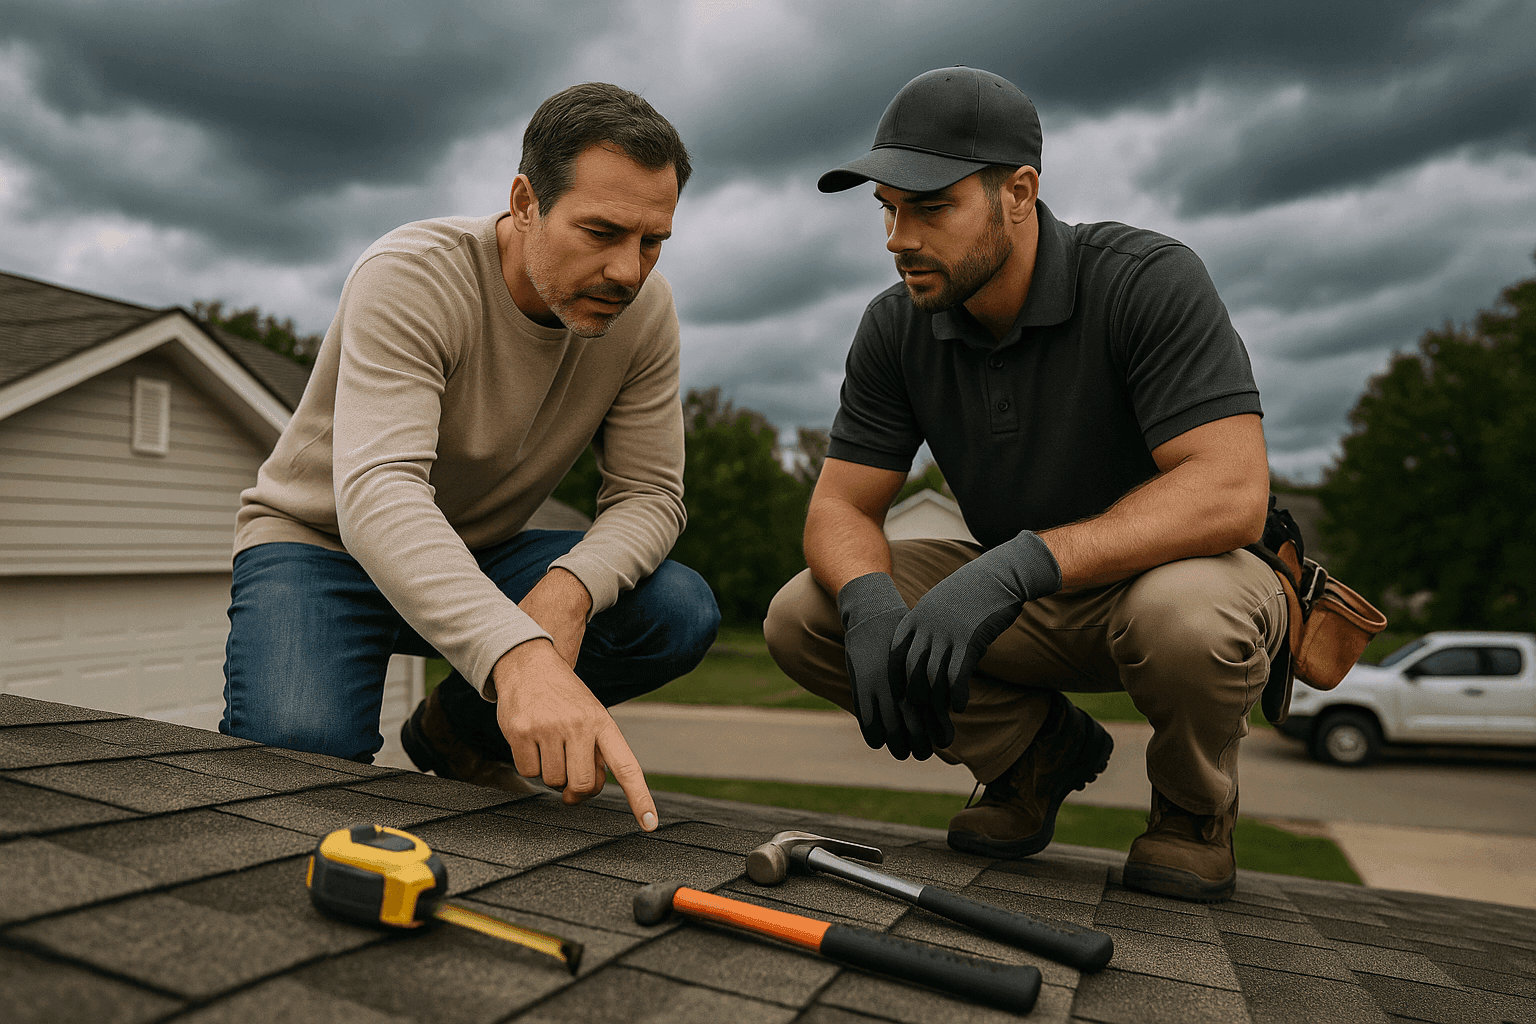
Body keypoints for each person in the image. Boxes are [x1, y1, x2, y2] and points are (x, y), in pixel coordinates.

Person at [764, 67, 1283, 901]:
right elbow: (840, 506)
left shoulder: (1145, 280)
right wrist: (866, 600)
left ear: (1019, 191)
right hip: (1020, 599)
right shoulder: (896, 325)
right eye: (888, 210)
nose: (899, 238)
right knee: (806, 612)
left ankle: (1192, 811)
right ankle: (1030, 755)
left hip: (1172, 583)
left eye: (931, 209)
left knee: (1184, 616)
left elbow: (1230, 490)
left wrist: (1017, 565)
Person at [224, 83, 720, 833]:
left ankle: (455, 731)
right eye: (602, 231)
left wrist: (570, 589)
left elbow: (652, 494)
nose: (628, 271)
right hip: (320, 548)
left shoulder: (645, 314)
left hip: (478, 551)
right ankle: (473, 690)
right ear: (525, 202)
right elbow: (380, 492)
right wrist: (519, 655)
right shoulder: (412, 275)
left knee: (676, 609)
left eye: (652, 242)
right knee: (301, 771)